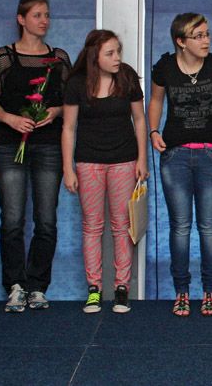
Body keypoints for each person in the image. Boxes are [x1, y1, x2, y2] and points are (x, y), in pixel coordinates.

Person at [149, 14, 212, 317]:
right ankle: (182, 292)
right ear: (181, 41)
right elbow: (156, 101)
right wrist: (153, 131)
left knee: (208, 226)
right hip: (174, 155)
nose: (206, 40)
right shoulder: (165, 67)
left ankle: (210, 292)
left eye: (207, 34)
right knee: (180, 226)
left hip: (210, 155)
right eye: (198, 36)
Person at [0, 0, 71, 312]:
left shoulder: (58, 58)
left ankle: (37, 286)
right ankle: (15, 285)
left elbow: (71, 101)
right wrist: (10, 119)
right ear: (21, 19)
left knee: (46, 219)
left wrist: (55, 111)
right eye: (37, 15)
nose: (44, 20)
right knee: (12, 219)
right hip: (9, 144)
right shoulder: (4, 55)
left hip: (48, 145)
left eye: (47, 15)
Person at [62, 29, 148, 314]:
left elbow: (139, 120)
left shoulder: (127, 76)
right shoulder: (76, 83)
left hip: (124, 160)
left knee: (122, 226)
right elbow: (68, 128)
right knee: (92, 226)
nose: (117, 58)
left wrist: (142, 160)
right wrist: (68, 168)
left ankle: (122, 289)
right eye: (110, 53)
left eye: (118, 52)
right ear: (94, 56)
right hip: (89, 162)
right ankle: (94, 290)